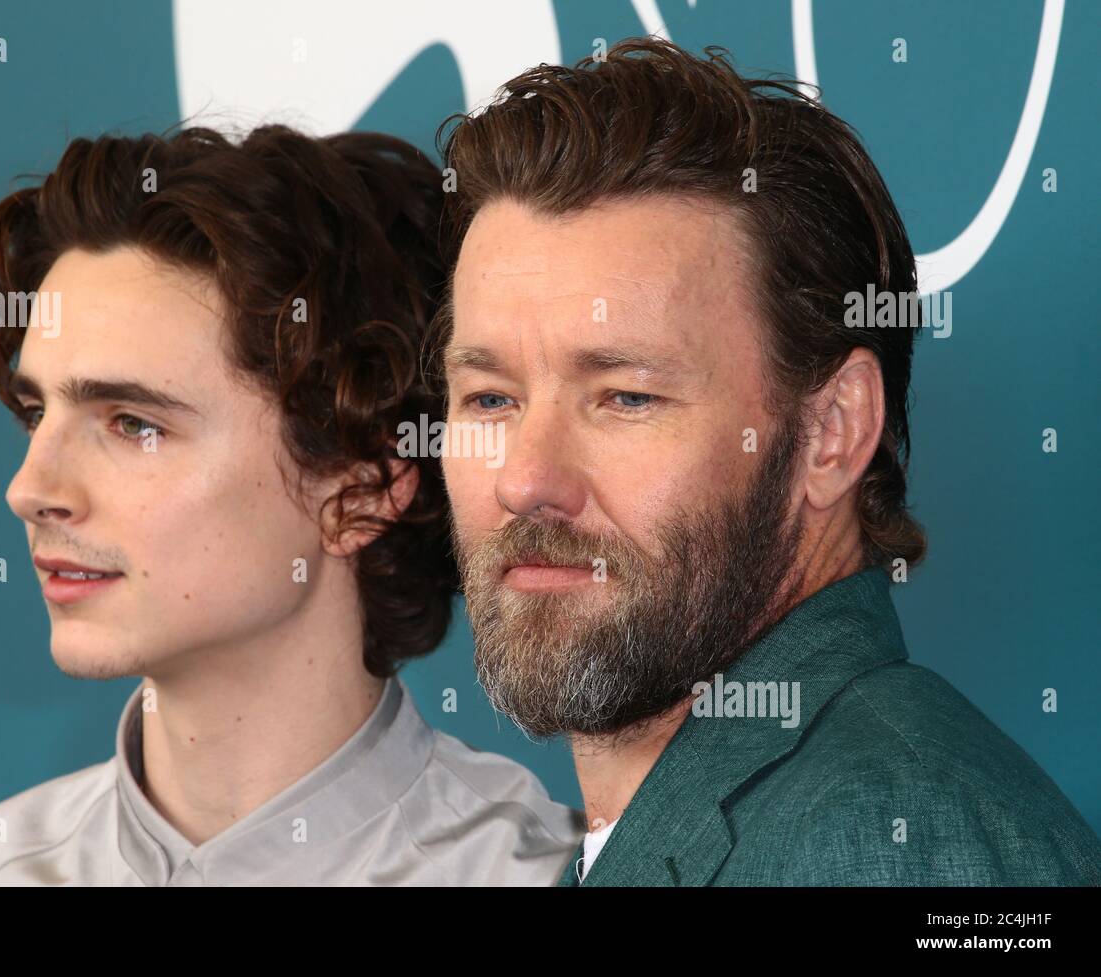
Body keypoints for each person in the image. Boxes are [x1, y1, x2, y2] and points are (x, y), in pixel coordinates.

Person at [433, 37, 1101, 885]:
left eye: (626, 397)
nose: (525, 480)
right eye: (491, 400)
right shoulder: (690, 826)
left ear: (831, 432)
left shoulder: (896, 838)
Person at [0, 124, 583, 886]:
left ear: (363, 490)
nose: (30, 489)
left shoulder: (549, 877)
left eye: (134, 424)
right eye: (35, 414)